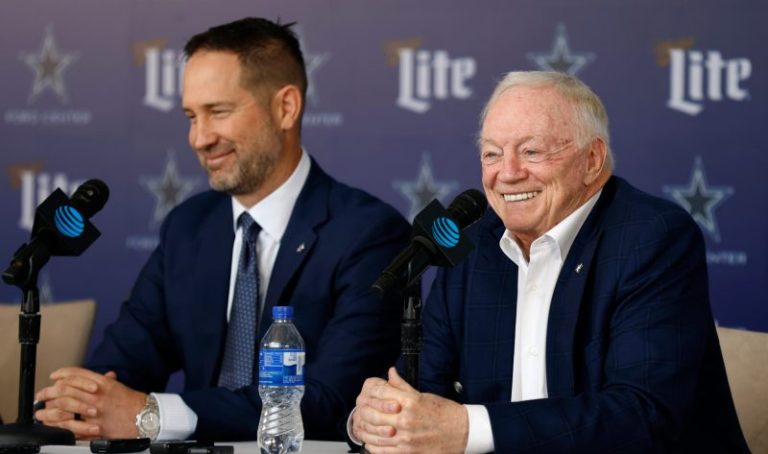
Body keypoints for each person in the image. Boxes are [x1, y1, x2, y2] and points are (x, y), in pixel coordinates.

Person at [34, 17, 409, 442]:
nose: (199, 138)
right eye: (191, 116)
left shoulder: (368, 234)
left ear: (286, 108)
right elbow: (123, 362)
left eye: (218, 112)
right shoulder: (188, 227)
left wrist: (152, 414)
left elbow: (333, 400)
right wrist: (79, 405)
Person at [351, 71, 749, 453]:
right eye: (492, 154)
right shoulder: (474, 242)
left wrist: (467, 429)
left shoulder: (652, 237)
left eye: (531, 151)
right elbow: (421, 392)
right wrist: (375, 419)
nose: (508, 173)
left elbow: (642, 416)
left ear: (592, 159)